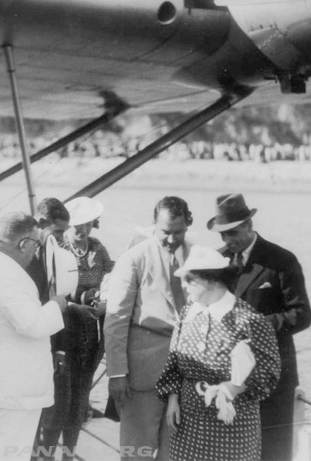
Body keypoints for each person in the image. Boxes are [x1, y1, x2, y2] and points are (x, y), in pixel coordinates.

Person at [207, 193, 311, 461]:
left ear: (249, 225)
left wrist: (257, 325)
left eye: (232, 233)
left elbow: (301, 314)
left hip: (273, 373)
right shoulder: (216, 262)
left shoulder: (281, 260)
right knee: (227, 448)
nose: (227, 241)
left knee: (273, 450)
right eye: (222, 235)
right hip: (227, 373)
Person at [156, 245, 280, 461]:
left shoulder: (249, 320)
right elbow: (174, 361)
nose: (184, 286)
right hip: (188, 422)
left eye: (190, 280)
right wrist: (173, 400)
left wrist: (231, 388)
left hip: (232, 421)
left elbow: (268, 373)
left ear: (212, 280)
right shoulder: (187, 313)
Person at [0, 212, 69, 461]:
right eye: (36, 244)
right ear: (24, 244)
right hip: (13, 392)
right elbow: (33, 325)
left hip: (3, 386)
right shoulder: (9, 277)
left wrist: (2, 341)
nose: (36, 251)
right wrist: (57, 305)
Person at [104, 196, 194, 461]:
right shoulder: (134, 259)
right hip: (142, 376)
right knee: (137, 453)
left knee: (175, 453)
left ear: (188, 223)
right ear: (154, 225)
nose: (171, 238)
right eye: (165, 232)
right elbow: (115, 319)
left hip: (185, 374)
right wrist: (116, 373)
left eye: (178, 232)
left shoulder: (197, 256)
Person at [34, 197, 114, 460]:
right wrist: (74, 305)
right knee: (58, 399)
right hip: (61, 332)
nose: (83, 232)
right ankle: (46, 455)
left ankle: (69, 455)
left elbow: (112, 280)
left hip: (88, 334)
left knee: (79, 398)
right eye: (78, 226)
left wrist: (104, 302)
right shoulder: (56, 245)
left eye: (89, 225)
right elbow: (49, 291)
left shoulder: (98, 249)